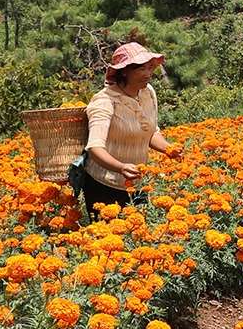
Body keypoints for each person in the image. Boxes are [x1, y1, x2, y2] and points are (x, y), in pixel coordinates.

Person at [74, 42, 181, 216]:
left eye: (150, 68)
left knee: (139, 236)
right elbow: (94, 147)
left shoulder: (147, 93)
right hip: (105, 185)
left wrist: (169, 149)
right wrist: (120, 167)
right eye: (141, 69)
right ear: (124, 71)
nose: (148, 74)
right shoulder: (104, 102)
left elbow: (151, 131)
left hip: (137, 182)